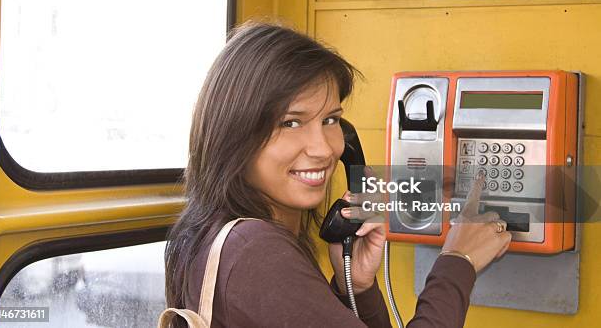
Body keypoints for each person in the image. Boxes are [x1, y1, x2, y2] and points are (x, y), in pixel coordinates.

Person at [164, 22, 512, 327]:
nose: (325, 148)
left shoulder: (212, 236)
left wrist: (355, 288)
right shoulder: (254, 251)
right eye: (291, 122)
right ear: (235, 134)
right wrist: (457, 262)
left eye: (330, 119)